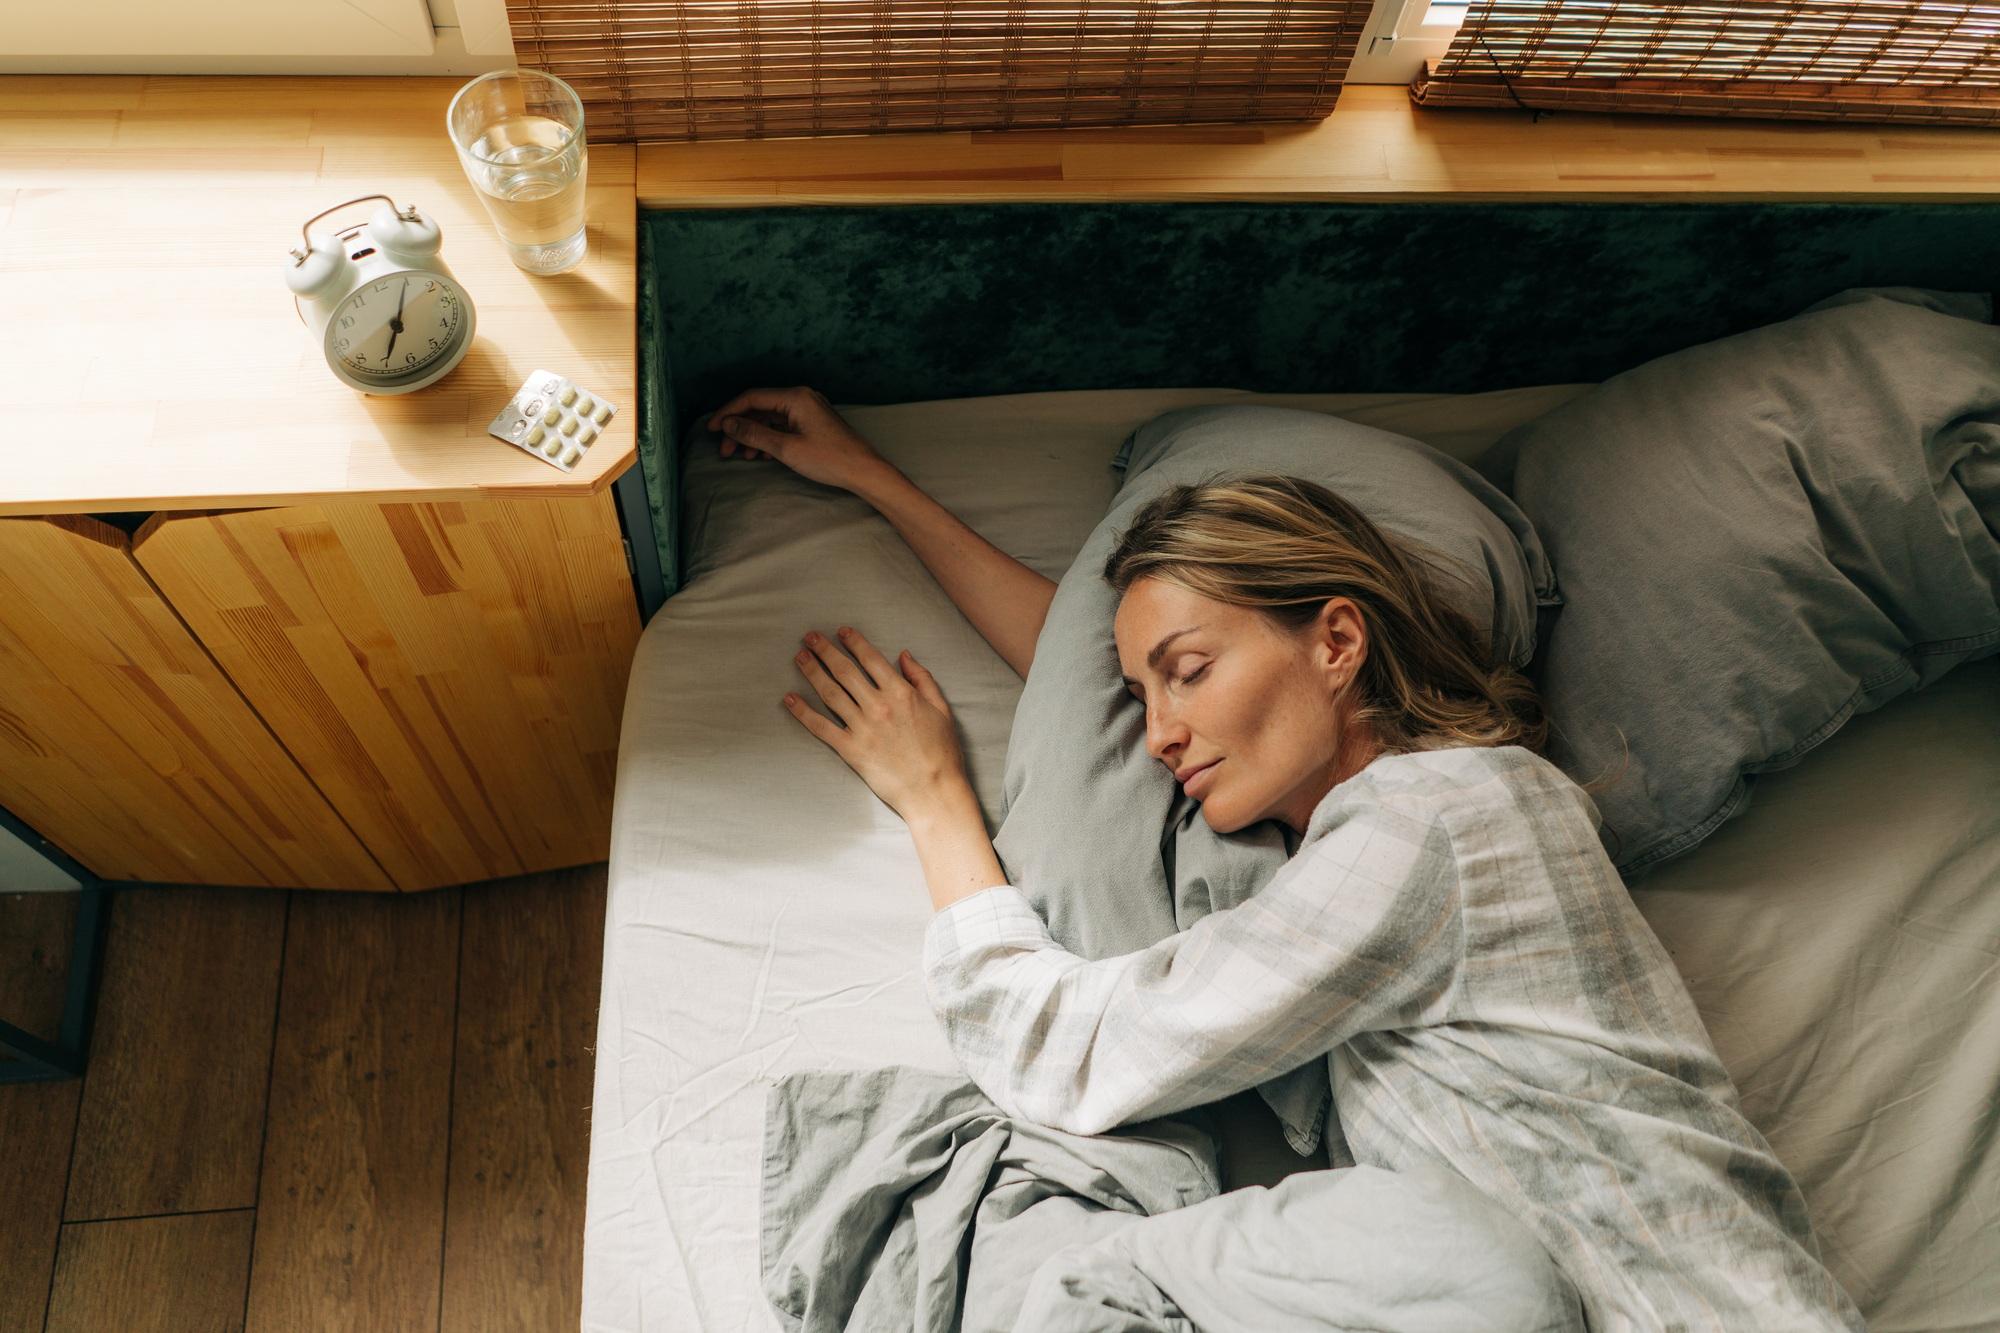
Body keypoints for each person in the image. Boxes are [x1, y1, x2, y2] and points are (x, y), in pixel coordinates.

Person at [706, 386, 1864, 1332]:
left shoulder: (1437, 823)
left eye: (1188, 673)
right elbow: (1090, 673)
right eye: (1140, 692)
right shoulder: (1409, 826)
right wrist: (874, 480)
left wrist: (935, 806)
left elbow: (1074, 1052)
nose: (1154, 731)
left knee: (1469, 1264)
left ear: (1337, 639)